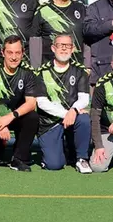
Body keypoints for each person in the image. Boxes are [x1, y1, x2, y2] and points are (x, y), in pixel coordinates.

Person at [0, 36, 39, 172]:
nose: (14, 57)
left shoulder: (28, 72)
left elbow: (31, 103)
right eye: (10, 52)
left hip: (12, 118)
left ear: (23, 53)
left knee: (32, 117)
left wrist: (10, 116)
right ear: (3, 52)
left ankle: (19, 158)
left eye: (17, 53)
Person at [35, 34, 92, 173]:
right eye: (61, 45)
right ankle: (58, 153)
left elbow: (84, 98)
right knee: (54, 165)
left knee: (84, 119)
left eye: (68, 46)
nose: (64, 49)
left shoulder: (80, 70)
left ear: (73, 49)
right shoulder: (41, 72)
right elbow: (41, 102)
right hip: (50, 122)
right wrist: (67, 114)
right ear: (53, 48)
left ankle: (81, 159)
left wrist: (73, 111)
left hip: (72, 118)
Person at [32, 0, 87, 64]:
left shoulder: (81, 8)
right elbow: (34, 41)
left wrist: (87, 65)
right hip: (50, 68)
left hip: (76, 67)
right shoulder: (43, 10)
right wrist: (36, 67)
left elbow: (87, 39)